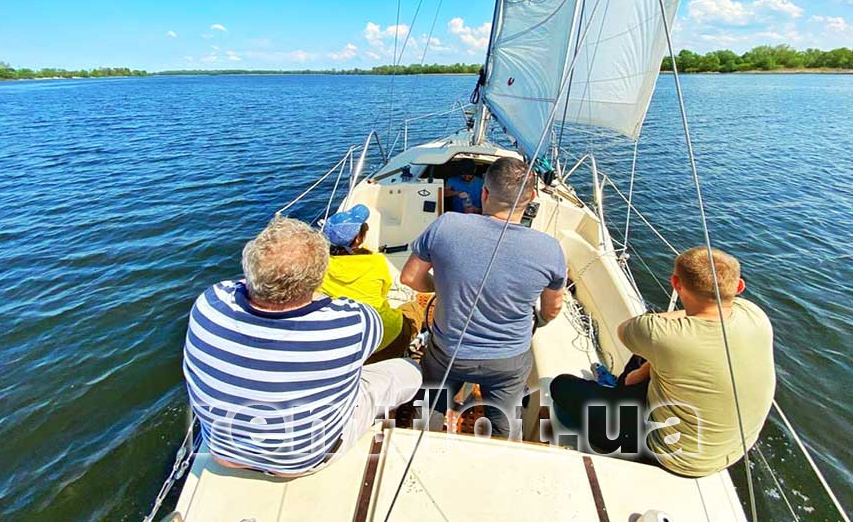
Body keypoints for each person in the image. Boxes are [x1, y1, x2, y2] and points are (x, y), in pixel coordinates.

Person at [182, 216, 422, 476]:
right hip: (301, 462)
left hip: (223, 455)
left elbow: (233, 287)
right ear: (318, 278)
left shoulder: (207, 304)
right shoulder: (354, 322)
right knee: (408, 370)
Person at [549, 247, 776, 478]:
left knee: (561, 385)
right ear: (739, 287)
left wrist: (671, 320)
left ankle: (610, 415)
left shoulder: (658, 333)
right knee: (644, 356)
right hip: (734, 450)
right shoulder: (754, 314)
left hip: (668, 455)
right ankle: (618, 391)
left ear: (676, 284)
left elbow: (627, 329)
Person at [400, 157, 567, 438]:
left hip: (447, 351)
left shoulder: (447, 225)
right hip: (509, 360)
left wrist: (443, 287)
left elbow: (409, 278)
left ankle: (423, 446)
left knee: (429, 412)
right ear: (532, 198)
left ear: (485, 193)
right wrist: (536, 320)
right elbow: (552, 309)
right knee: (503, 424)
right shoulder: (550, 249)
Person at [318, 204, 424, 361]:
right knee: (415, 308)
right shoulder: (376, 262)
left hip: (350, 347)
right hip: (387, 337)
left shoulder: (317, 268)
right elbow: (384, 292)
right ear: (358, 239)